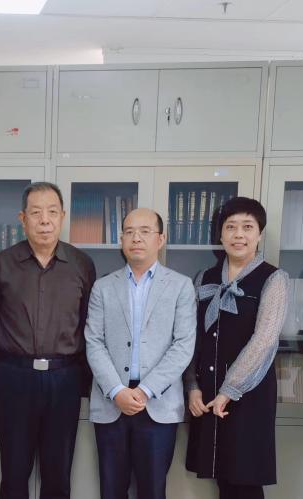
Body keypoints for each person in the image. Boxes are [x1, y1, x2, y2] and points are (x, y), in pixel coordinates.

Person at [0, 181, 97, 499]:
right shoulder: (1, 263)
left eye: (52, 212)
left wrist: (86, 381)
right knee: (14, 473)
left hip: (65, 378)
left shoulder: (82, 264)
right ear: (23, 218)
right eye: (36, 213)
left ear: (63, 216)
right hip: (13, 378)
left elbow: (90, 326)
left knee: (58, 475)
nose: (44, 220)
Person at [85, 208, 197, 499]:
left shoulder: (181, 286)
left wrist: (145, 391)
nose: (136, 238)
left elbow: (183, 345)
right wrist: (117, 390)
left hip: (158, 403)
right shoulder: (102, 287)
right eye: (129, 232)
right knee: (111, 491)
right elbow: (94, 342)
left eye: (145, 231)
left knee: (152, 491)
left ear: (160, 239)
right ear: (121, 239)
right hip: (112, 402)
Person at [184, 196, 290, 499]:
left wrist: (230, 389)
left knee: (246, 479)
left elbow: (265, 339)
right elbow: (191, 337)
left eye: (247, 227)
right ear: (220, 235)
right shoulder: (204, 278)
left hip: (247, 394)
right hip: (207, 392)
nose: (238, 235)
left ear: (259, 234)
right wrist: (192, 386)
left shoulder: (273, 278)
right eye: (231, 227)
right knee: (223, 478)